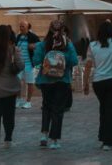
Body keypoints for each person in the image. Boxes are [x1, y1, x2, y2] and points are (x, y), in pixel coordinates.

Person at [83, 20, 112, 151]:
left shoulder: (92, 45)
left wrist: (85, 83)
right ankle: (109, 141)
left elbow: (88, 65)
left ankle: (103, 137)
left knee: (104, 109)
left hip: (98, 82)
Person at [33, 20, 79, 149]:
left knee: (46, 106)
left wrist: (47, 60)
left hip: (45, 80)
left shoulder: (42, 44)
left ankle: (44, 135)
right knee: (58, 110)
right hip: (62, 80)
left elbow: (36, 61)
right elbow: (74, 61)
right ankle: (54, 140)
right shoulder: (67, 44)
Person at [15, 21, 40, 109]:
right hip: (19, 63)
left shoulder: (33, 36)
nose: (21, 28)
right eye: (20, 26)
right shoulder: (18, 36)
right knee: (17, 82)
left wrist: (34, 46)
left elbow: (39, 46)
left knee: (30, 82)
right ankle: (18, 99)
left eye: (23, 26)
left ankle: (28, 101)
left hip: (29, 64)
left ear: (28, 27)